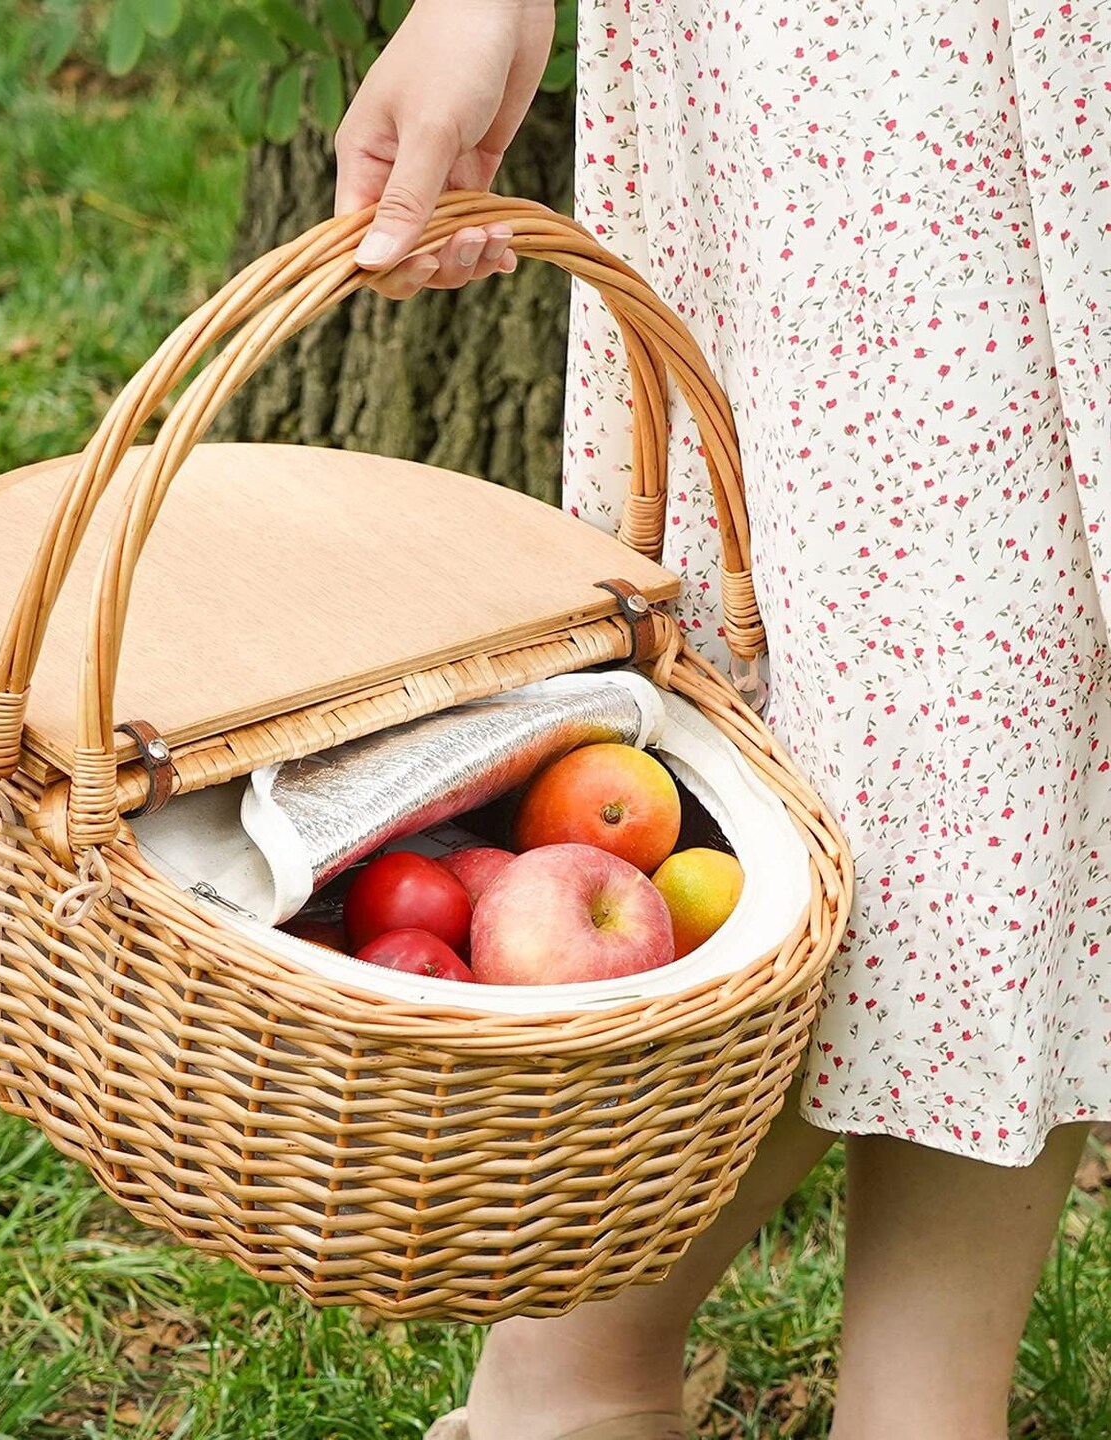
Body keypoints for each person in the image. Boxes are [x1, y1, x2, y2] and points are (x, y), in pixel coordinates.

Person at [332, 2, 1111, 1437]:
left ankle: (906, 1402)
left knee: (1029, 696)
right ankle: (580, 1378)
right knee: (903, 653)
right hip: (852, 58)